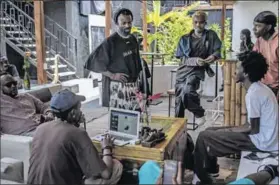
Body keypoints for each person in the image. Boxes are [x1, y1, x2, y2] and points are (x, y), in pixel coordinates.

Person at [192, 51, 278, 184]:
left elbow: (252, 129)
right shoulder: (259, 88)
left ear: (246, 73)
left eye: (238, 68)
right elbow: (250, 125)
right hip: (265, 137)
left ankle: (202, 178)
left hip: (262, 142)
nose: (235, 71)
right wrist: (225, 129)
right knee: (210, 129)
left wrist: (228, 131)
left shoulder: (254, 94)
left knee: (204, 136)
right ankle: (211, 170)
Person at [27, 89, 123, 185]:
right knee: (116, 166)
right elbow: (106, 174)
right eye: (79, 108)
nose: (81, 111)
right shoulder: (77, 133)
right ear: (73, 113)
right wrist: (107, 148)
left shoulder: (40, 128)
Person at [85, 8, 146, 111]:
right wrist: (112, 75)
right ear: (117, 24)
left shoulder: (133, 39)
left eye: (129, 22)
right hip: (117, 88)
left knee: (135, 118)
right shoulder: (109, 42)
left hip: (133, 87)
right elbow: (92, 62)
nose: (127, 26)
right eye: (124, 23)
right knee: (120, 121)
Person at [174, 11, 222, 125]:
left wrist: (213, 56)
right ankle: (178, 127)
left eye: (201, 22)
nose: (198, 25)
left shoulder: (211, 35)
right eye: (195, 22)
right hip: (182, 71)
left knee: (187, 91)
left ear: (205, 23)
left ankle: (199, 113)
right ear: (192, 23)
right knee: (179, 100)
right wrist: (194, 60)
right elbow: (181, 59)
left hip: (196, 72)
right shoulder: (184, 39)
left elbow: (219, 49)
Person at [252, 11, 278, 97]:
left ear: (268, 27)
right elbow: (253, 60)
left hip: (276, 89)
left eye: (258, 26)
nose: (254, 29)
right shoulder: (259, 41)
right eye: (254, 25)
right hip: (263, 87)